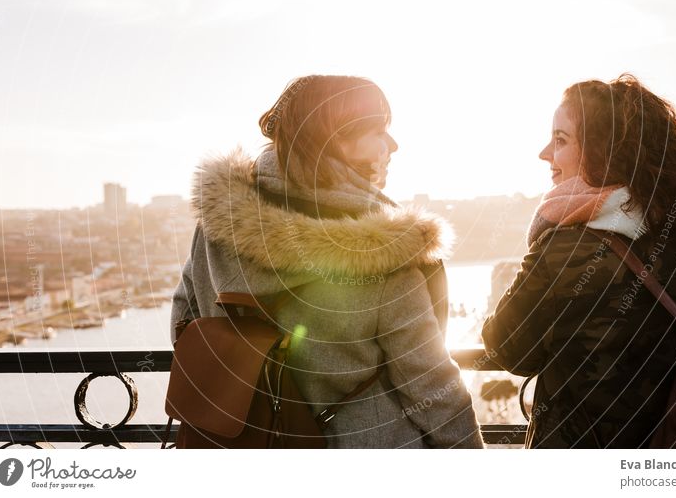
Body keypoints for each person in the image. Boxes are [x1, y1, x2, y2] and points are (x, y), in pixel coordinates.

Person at [171, 75, 484, 449]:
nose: (393, 145)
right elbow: (430, 385)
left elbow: (183, 322)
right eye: (379, 131)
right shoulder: (383, 249)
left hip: (239, 443)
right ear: (337, 139)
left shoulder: (219, 224)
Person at [482, 74, 676, 448]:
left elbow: (506, 348)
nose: (545, 154)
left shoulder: (565, 248)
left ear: (602, 152)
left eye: (560, 140)